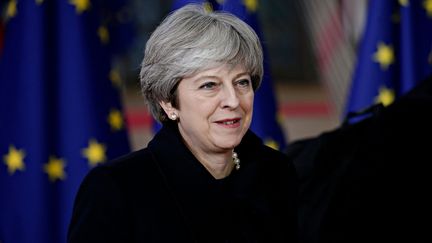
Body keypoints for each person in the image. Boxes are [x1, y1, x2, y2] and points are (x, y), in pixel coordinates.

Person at [67, 4, 298, 243]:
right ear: (168, 102)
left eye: (241, 82)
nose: (232, 100)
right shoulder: (115, 189)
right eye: (209, 85)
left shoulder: (276, 173)